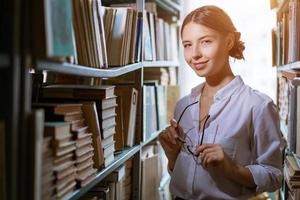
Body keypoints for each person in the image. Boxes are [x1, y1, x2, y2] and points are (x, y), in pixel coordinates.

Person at [158, 5, 283, 200]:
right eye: (187, 45)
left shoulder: (258, 105)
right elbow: (183, 174)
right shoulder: (183, 106)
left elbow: (274, 176)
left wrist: (231, 169)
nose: (195, 54)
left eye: (206, 42)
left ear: (229, 41)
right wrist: (173, 155)